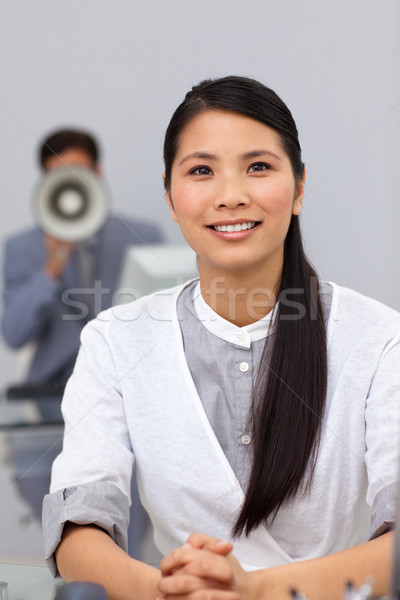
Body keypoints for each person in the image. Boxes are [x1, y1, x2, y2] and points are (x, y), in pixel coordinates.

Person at [42, 78, 400, 600]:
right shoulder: (114, 341)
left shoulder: (380, 339)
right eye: (202, 171)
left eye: (258, 167)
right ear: (170, 195)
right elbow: (78, 529)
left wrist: (249, 592)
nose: (230, 196)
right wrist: (169, 591)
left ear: (299, 187)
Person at [2, 128, 164, 384]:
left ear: (98, 174)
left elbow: (160, 323)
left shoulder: (142, 236)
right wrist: (50, 270)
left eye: (79, 173)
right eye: (60, 176)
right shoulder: (22, 247)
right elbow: (13, 335)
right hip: (52, 388)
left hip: (127, 382)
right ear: (46, 183)